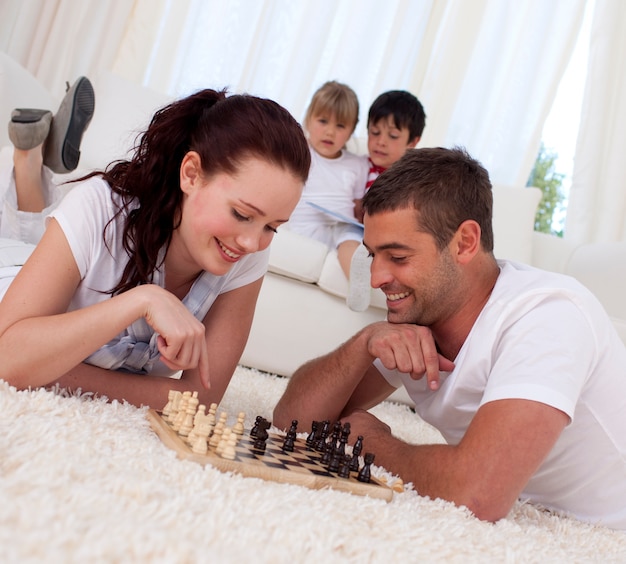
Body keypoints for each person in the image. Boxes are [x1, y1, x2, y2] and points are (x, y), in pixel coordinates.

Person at [274, 147, 626, 530]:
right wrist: (365, 342)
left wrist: (373, 444)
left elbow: (478, 494)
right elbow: (291, 421)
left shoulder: (548, 316)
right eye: (372, 255)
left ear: (464, 243)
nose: (375, 279)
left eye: (398, 257)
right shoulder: (420, 319)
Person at [0, 85, 310, 410]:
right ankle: (28, 161)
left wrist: (52, 373)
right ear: (191, 174)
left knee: (34, 238)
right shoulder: (100, 208)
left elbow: (199, 401)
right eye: (241, 214)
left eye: (272, 227)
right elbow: (8, 360)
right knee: (20, 240)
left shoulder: (248, 252)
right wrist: (142, 299)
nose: (252, 242)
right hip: (8, 273)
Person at [347, 90, 425, 311]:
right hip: (357, 232)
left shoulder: (409, 179)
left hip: (389, 239)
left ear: (413, 141)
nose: (380, 142)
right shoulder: (360, 166)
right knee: (349, 242)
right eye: (374, 132)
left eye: (392, 136)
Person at [285, 80, 368, 279]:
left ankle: (359, 283)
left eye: (340, 126)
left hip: (343, 229)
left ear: (351, 130)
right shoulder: (300, 151)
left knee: (351, 238)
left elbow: (357, 204)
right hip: (307, 223)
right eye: (323, 121)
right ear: (309, 118)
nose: (330, 131)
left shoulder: (358, 164)